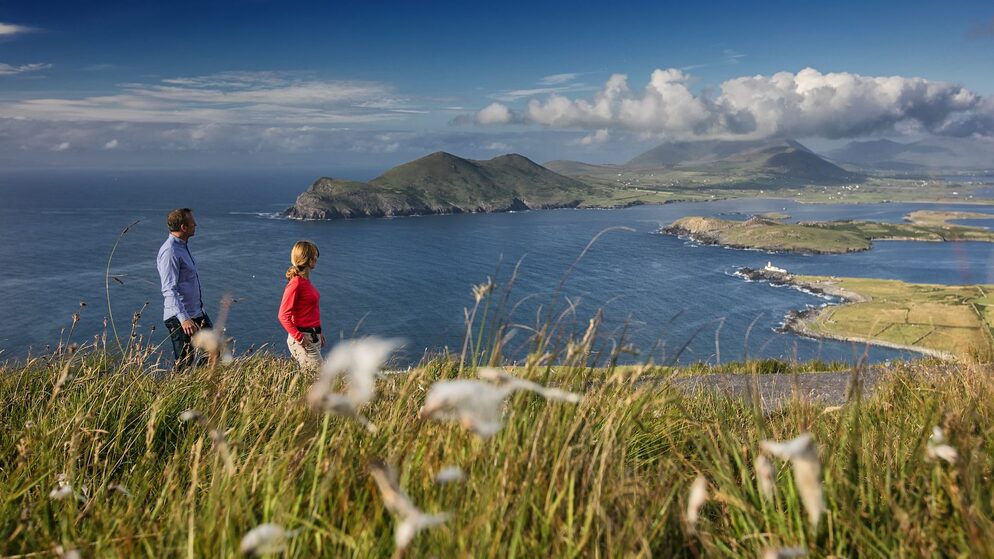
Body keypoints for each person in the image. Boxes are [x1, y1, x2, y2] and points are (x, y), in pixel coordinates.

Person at [157, 208, 212, 370]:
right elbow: (168, 289)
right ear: (183, 227)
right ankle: (181, 392)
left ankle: (201, 388)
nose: (196, 224)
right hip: (181, 318)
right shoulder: (170, 252)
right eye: (192, 222)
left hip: (196, 313)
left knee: (212, 352)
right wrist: (184, 319)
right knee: (184, 364)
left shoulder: (181, 247)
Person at [278, 240, 325, 370]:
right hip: (303, 338)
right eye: (314, 255)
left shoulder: (305, 282)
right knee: (319, 378)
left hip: (313, 337)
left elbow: (310, 311)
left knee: (312, 380)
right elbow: (283, 315)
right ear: (307, 259)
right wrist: (299, 337)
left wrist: (319, 332)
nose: (316, 258)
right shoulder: (296, 284)